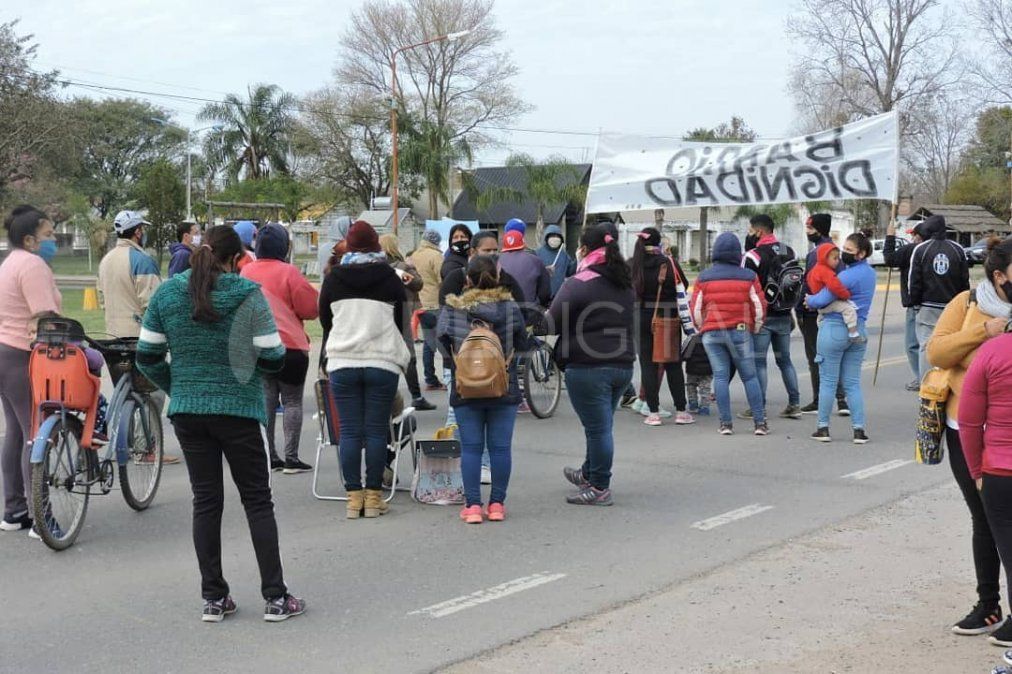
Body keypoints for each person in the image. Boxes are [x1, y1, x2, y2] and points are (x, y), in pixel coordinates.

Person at [136, 225, 305, 623]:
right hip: (239, 412)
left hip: (189, 414)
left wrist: (180, 388)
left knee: (206, 502)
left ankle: (214, 598)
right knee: (257, 501)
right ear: (234, 259)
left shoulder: (167, 293)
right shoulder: (246, 295)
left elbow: (146, 355)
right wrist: (246, 370)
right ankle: (276, 598)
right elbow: (274, 356)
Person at [927, 237, 1012, 640]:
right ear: (1000, 276)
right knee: (984, 518)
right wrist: (983, 334)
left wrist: (971, 359)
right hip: (968, 430)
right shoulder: (966, 304)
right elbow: (937, 352)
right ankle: (989, 605)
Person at [319, 221, 410, 520]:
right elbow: (399, 321)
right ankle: (373, 499)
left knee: (348, 431)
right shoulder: (390, 278)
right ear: (376, 245)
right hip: (381, 362)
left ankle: (352, 499)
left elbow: (325, 322)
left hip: (343, 362)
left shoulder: (333, 278)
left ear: (349, 245)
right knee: (374, 431)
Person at [547, 222, 635, 506]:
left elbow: (550, 322)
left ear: (584, 249)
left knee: (598, 429)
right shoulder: (625, 281)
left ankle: (599, 486)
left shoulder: (579, 282)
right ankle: (589, 472)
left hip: (588, 367)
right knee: (601, 425)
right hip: (622, 366)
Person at [438, 256, 529, 523]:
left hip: (466, 388)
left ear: (467, 280)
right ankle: (497, 505)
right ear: (497, 278)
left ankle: (474, 506)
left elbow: (442, 345)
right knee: (500, 448)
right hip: (504, 387)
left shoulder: (453, 309)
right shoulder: (510, 308)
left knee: (471, 448)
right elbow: (522, 342)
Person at [0, 206, 60, 535]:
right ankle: (41, 516)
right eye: (48, 235)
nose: (52, 241)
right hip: (23, 355)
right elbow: (44, 313)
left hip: (4, 352)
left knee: (17, 432)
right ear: (30, 239)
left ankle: (14, 510)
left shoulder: (9, 263)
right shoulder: (33, 265)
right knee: (36, 434)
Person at [240, 223, 319, 474]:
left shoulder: (246, 272)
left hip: (259, 347)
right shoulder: (290, 272)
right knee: (293, 401)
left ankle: (269, 455)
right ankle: (291, 458)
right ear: (284, 246)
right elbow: (310, 308)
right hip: (291, 347)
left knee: (267, 400)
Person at [690, 232, 769, 436]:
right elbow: (759, 306)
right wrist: (756, 327)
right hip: (740, 331)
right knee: (750, 376)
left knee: (721, 377)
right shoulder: (749, 276)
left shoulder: (703, 277)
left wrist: (702, 327)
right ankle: (760, 423)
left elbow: (696, 309)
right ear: (737, 254)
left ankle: (726, 424)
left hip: (712, 333)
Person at [805, 233, 876, 444]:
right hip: (859, 329)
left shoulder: (845, 277)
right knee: (852, 383)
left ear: (861, 253)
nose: (844, 252)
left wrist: (809, 300)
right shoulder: (871, 274)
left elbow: (821, 299)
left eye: (849, 250)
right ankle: (859, 430)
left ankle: (823, 428)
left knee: (828, 381)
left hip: (834, 328)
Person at [630, 227, 696, 427]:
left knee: (647, 365)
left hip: (640, 317)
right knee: (672, 364)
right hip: (666, 317)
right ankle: (682, 412)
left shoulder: (633, 264)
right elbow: (682, 286)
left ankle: (653, 413)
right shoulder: (669, 263)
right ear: (659, 242)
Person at [741, 214, 802, 420]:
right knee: (785, 360)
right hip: (785, 314)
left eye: (750, 230)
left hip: (762, 317)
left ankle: (759, 407)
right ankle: (794, 403)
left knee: (759, 363)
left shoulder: (753, 256)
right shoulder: (789, 251)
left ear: (758, 231)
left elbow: (744, 287)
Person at [796, 214, 848, 416]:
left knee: (817, 357)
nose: (807, 232)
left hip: (812, 311)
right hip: (832, 309)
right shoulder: (835, 252)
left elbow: (809, 284)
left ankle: (820, 399)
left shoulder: (817, 254)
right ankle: (841, 400)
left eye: (809, 228)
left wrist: (801, 307)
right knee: (832, 355)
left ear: (818, 229)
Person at [909, 214, 970, 380]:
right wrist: (965, 305)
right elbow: (964, 280)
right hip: (953, 307)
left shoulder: (921, 249)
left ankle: (927, 388)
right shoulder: (958, 250)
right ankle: (947, 384)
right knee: (952, 347)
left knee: (926, 346)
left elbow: (914, 280)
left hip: (928, 306)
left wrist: (915, 304)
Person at [380, 233, 436, 412]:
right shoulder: (400, 267)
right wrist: (408, 270)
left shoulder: (375, 267)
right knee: (408, 356)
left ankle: (387, 395)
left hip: (381, 315)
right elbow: (417, 284)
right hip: (401, 313)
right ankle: (416, 396)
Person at [98, 210, 162, 339]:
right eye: (142, 229)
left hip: (111, 336)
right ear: (137, 233)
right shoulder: (143, 260)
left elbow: (102, 300)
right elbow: (153, 304)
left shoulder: (105, 261)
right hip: (139, 337)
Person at [883, 219, 926, 390]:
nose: (912, 238)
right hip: (935, 304)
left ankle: (922, 377)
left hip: (915, 304)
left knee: (913, 344)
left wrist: (890, 236)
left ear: (918, 236)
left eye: (914, 235)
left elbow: (889, 258)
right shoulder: (939, 249)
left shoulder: (911, 250)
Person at [410, 229, 446, 391]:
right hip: (435, 304)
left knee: (428, 344)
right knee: (444, 342)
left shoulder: (414, 256)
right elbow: (443, 280)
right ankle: (449, 376)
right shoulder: (436, 256)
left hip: (421, 306)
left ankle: (430, 378)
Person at [806, 243, 863, 342]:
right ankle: (853, 333)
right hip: (829, 303)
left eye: (838, 258)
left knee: (822, 317)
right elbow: (836, 286)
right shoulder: (826, 271)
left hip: (820, 305)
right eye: (835, 258)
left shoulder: (814, 270)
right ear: (825, 258)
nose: (838, 261)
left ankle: (822, 329)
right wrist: (846, 295)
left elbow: (808, 280)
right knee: (849, 309)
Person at [497, 227, 551, 310]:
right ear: (523, 243)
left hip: (502, 313)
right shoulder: (535, 260)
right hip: (529, 312)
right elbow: (545, 293)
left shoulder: (496, 261)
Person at [537, 224, 576, 299]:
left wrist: (578, 259)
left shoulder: (564, 255)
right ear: (547, 237)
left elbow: (570, 272)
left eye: (557, 236)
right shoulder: (538, 253)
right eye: (552, 236)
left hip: (559, 296)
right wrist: (544, 271)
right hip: (541, 296)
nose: (555, 238)